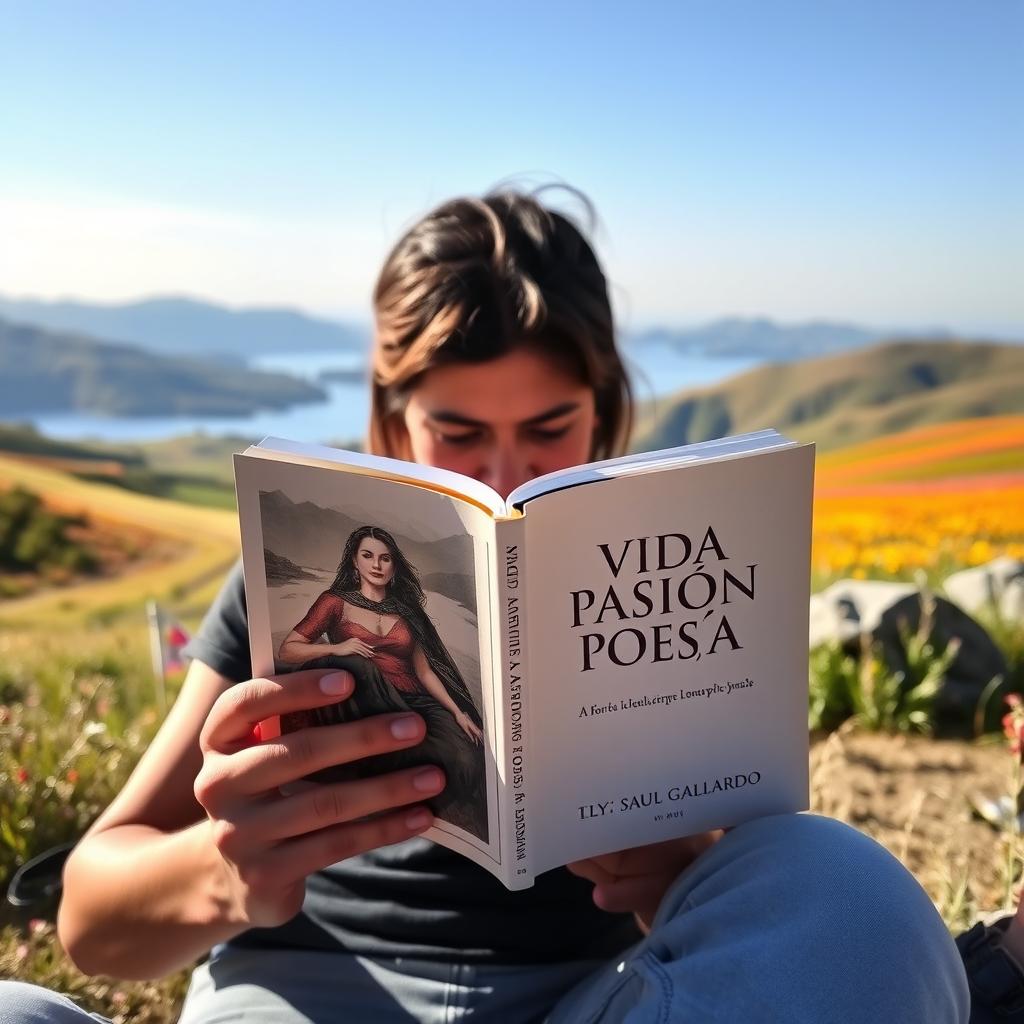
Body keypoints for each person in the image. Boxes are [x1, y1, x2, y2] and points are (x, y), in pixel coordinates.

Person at [0, 187, 970, 1023]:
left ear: (606, 408)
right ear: (390, 417)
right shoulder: (285, 588)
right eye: (457, 432)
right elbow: (90, 919)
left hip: (588, 997)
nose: (506, 475)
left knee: (843, 888)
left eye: (550, 428)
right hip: (303, 991)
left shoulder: (667, 570)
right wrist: (225, 868)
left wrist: (686, 877)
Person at [276, 524, 487, 839]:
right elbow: (289, 649)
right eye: (368, 555)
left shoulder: (406, 613)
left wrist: (458, 712)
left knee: (465, 757)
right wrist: (337, 647)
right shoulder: (334, 601)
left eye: (385, 558)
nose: (376, 565)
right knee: (362, 667)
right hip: (365, 696)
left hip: (413, 698)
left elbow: (425, 671)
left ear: (394, 566)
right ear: (354, 562)